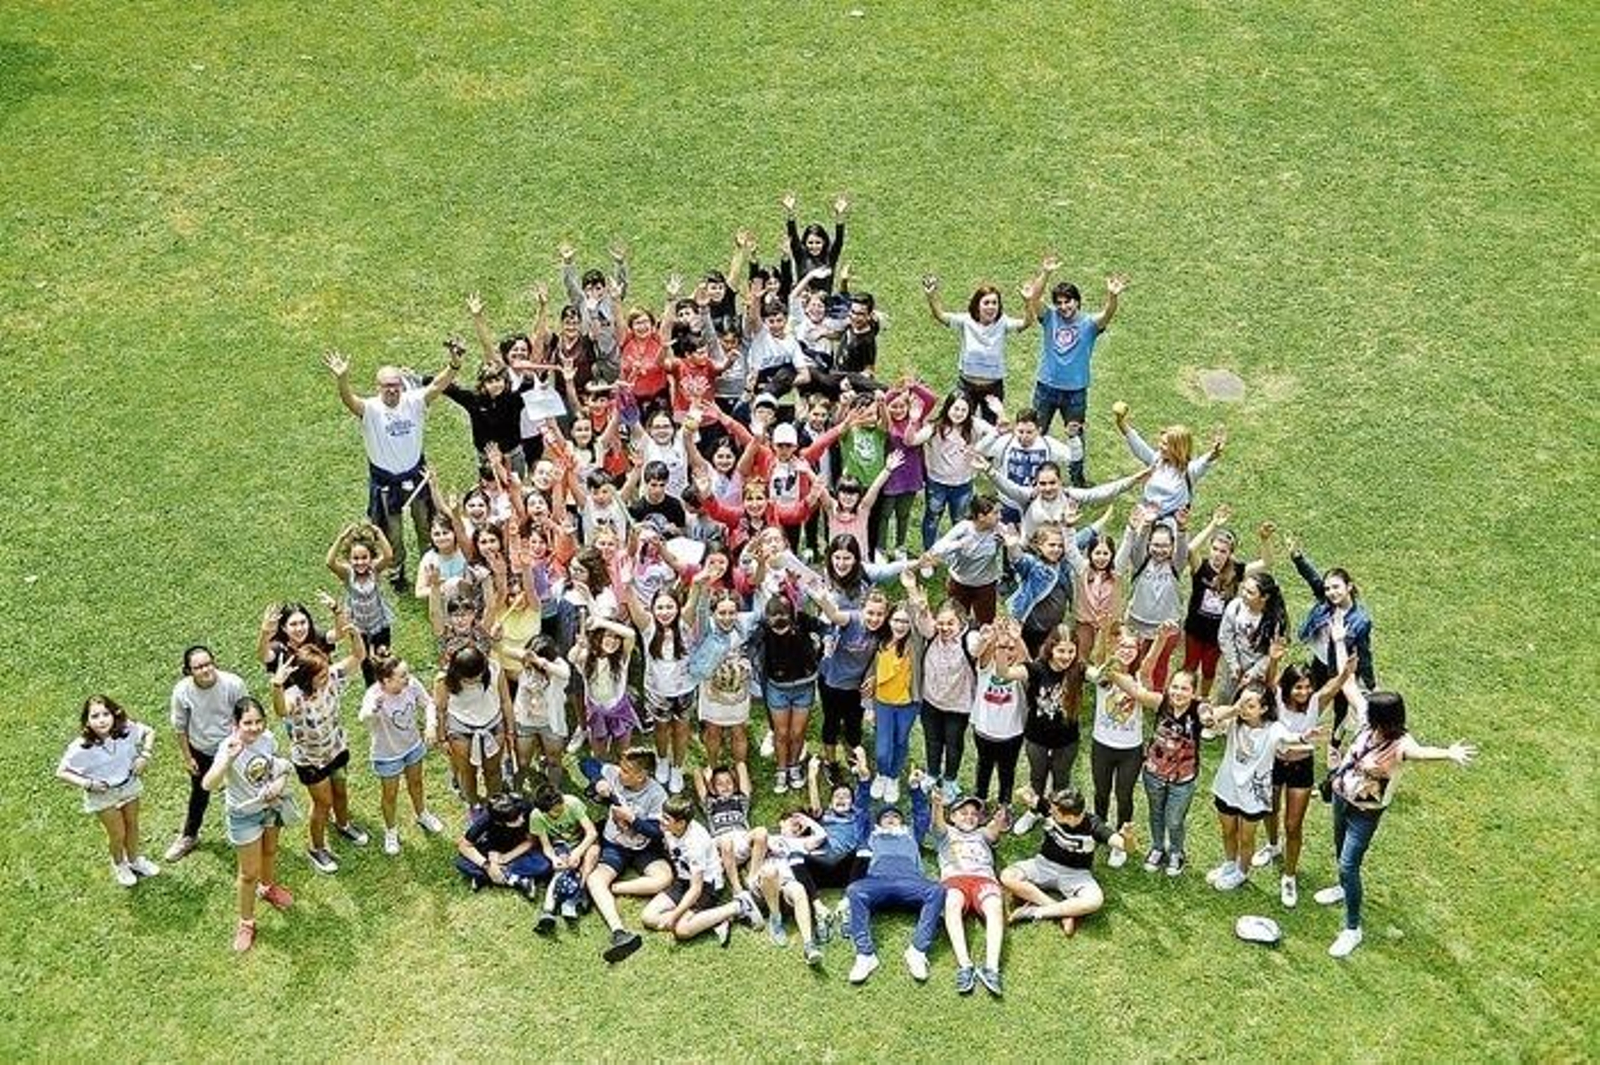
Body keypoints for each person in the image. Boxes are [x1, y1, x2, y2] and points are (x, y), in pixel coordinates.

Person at [1313, 692, 1475, 959]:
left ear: (1383, 717)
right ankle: (1343, 888)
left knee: (1348, 864)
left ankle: (1352, 929)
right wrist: (1344, 666)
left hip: (1365, 813)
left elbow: (1421, 753)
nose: (1365, 714)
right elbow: (1353, 692)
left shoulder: (1401, 745)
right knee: (1339, 848)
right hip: (1342, 799)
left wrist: (1449, 753)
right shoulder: (1368, 725)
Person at [324, 344, 461, 592]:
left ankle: (430, 567)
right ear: (378, 387)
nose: (392, 390)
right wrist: (342, 379)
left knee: (426, 525)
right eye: (387, 385)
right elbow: (349, 400)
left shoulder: (414, 401)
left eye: (396, 384)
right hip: (386, 482)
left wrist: (454, 365)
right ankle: (397, 572)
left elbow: (437, 386)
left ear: (402, 385)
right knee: (392, 533)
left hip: (416, 476)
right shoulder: (371, 409)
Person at [1252, 638, 1357, 905]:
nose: (1304, 692)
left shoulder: (1315, 702)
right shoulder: (1277, 698)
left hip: (1301, 767)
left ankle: (1289, 876)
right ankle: (1272, 845)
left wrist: (1346, 672)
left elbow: (1334, 686)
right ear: (1288, 687)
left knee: (1293, 825)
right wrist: (1274, 658)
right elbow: (1270, 681)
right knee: (1269, 809)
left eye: (1308, 686)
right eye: (1298, 687)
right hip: (1274, 763)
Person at [1202, 683, 1323, 893]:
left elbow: (1290, 738)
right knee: (1228, 830)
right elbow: (1212, 717)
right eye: (1242, 703)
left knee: (1246, 837)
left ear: (1264, 708)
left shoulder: (1273, 729)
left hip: (1253, 794)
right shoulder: (1234, 721)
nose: (1245, 709)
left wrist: (1306, 737)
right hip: (1227, 786)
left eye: (1251, 706)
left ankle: (1241, 872)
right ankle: (1229, 864)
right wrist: (1235, 708)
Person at [271, 623, 369, 875]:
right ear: (306, 677)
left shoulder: (331, 677)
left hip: (336, 748)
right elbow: (281, 710)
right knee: (323, 803)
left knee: (341, 791)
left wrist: (355, 635)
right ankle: (316, 848)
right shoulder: (295, 696)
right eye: (320, 675)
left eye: (326, 671)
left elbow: (358, 657)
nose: (326, 677)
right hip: (310, 760)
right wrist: (277, 685)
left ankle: (344, 825)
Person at [202, 696, 299, 952]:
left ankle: (267, 888)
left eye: (259, 721)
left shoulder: (267, 739)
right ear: (235, 724)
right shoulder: (228, 747)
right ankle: (246, 922)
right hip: (244, 815)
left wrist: (279, 784)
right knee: (248, 874)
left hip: (270, 807)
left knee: (270, 851)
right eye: (247, 723)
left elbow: (279, 766)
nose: (254, 728)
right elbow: (208, 784)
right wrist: (229, 759)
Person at [843, 770, 945, 985]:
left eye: (896, 816)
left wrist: (915, 789)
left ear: (902, 822)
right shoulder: (870, 835)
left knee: (937, 890)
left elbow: (921, 814)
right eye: (886, 816)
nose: (891, 818)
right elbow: (860, 811)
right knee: (854, 890)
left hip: (911, 883)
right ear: (879, 822)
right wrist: (864, 783)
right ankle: (865, 955)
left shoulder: (911, 834)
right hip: (877, 883)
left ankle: (917, 951)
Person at [1026, 267, 1128, 480]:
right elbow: (1034, 298)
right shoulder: (1050, 317)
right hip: (1046, 388)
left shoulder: (1089, 324)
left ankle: (1077, 478)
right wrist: (1046, 273)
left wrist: (1112, 295)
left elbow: (1107, 314)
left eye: (1068, 301)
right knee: (1036, 433)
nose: (1064, 307)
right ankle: (1032, 474)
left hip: (1075, 392)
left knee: (1076, 436)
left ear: (1077, 301)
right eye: (1059, 303)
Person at [1001, 785, 1136, 936]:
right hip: (1043, 865)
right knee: (1007, 876)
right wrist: (1024, 793)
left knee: (1095, 901)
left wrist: (1128, 838)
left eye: (1055, 812)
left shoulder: (1094, 827)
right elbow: (1027, 796)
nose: (1050, 812)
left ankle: (1033, 912)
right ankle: (1062, 912)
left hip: (1076, 874)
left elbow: (1127, 848)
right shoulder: (1052, 808)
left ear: (1069, 817)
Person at [56, 695, 159, 887]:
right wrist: (88, 783)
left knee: (132, 825)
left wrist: (144, 755)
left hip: (129, 786)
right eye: (95, 716)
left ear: (114, 715)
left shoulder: (126, 730)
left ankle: (134, 860)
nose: (101, 720)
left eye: (105, 714)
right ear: (87, 721)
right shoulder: (81, 746)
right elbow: (62, 772)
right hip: (103, 795)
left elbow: (149, 731)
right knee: (117, 833)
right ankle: (120, 864)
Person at [581, 748, 672, 963]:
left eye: (626, 771)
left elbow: (657, 832)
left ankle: (611, 889)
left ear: (641, 776)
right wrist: (598, 781)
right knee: (594, 879)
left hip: (644, 848)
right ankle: (619, 932)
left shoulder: (657, 794)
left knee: (664, 879)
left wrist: (632, 819)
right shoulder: (613, 774)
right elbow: (586, 763)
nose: (619, 773)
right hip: (615, 846)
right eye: (621, 768)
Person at [358, 652, 447, 856]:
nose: (408, 678)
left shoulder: (411, 685)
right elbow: (363, 718)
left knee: (416, 782)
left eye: (407, 673)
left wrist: (431, 725)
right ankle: (391, 831)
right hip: (387, 754)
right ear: (386, 681)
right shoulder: (374, 695)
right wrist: (374, 709)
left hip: (412, 745)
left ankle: (422, 814)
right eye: (402, 675)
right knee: (390, 794)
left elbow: (429, 703)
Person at [165, 645, 249, 862]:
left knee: (246, 789)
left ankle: (255, 833)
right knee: (199, 793)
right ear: (189, 671)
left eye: (208, 664)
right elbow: (180, 728)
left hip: (232, 746)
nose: (205, 670)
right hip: (201, 748)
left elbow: (244, 718)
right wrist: (188, 757)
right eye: (199, 667)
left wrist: (239, 747)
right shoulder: (182, 691)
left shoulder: (233, 684)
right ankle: (189, 836)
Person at [932, 792, 1009, 996]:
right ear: (952, 817)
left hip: (984, 879)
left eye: (974, 814)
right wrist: (937, 805)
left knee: (994, 905)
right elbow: (937, 823)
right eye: (963, 813)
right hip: (955, 879)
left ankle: (991, 968)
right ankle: (965, 965)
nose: (969, 817)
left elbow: (994, 832)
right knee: (952, 902)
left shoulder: (982, 833)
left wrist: (998, 820)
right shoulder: (946, 832)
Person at [433, 645, 513, 811]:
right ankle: (473, 804)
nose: (474, 682)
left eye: (477, 677)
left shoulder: (495, 669)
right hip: (461, 729)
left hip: (493, 724)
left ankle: (495, 805)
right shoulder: (444, 679)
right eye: (468, 680)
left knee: (493, 770)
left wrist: (510, 730)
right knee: (467, 772)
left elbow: (506, 701)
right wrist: (442, 738)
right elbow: (440, 710)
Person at [529, 781, 599, 933]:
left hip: (583, 841)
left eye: (560, 807)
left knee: (584, 866)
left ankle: (573, 901)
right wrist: (554, 858)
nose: (559, 811)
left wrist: (578, 852)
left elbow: (592, 833)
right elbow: (546, 846)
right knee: (561, 869)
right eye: (555, 811)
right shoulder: (537, 816)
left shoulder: (572, 803)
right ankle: (548, 910)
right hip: (561, 845)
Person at [454, 792, 543, 893]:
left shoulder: (525, 808)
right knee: (461, 863)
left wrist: (506, 858)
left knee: (543, 864)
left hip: (517, 847)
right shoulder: (486, 819)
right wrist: (488, 866)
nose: (521, 819)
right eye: (515, 820)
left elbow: (531, 841)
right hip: (492, 847)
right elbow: (464, 845)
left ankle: (485, 877)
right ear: (499, 822)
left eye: (520, 815)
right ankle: (516, 879)